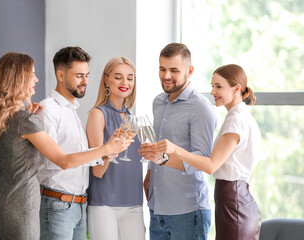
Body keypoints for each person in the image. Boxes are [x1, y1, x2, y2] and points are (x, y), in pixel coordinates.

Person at [0, 52, 131, 240]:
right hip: (24, 206)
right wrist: (106, 148)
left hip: (1, 204)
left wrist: (105, 153)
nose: (36, 79)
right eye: (31, 75)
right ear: (17, 79)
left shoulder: (1, 119)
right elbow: (62, 161)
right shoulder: (27, 118)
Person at [141, 64, 262, 240]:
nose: (213, 92)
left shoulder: (235, 120)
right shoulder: (242, 117)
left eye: (219, 86)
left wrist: (176, 149)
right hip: (237, 200)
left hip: (233, 204)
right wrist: (162, 159)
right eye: (212, 86)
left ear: (236, 89)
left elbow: (211, 165)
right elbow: (248, 172)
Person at [37, 47, 118, 240]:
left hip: (79, 205)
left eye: (87, 75)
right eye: (79, 75)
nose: (85, 81)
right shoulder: (47, 110)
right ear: (60, 74)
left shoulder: (71, 111)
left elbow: (76, 157)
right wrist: (104, 149)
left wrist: (107, 153)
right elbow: (57, 161)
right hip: (58, 205)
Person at [140, 43, 217, 240]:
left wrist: (162, 159)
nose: (166, 76)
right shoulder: (158, 102)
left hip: (187, 210)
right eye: (162, 69)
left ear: (189, 71)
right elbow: (159, 146)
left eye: (174, 70)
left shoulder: (200, 107)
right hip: (157, 207)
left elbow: (202, 159)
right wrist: (150, 174)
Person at [86, 57, 145, 240]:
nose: (125, 83)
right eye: (118, 77)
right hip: (104, 204)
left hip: (134, 203)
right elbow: (97, 170)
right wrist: (111, 147)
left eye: (130, 78)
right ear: (106, 79)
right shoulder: (98, 114)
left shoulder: (133, 119)